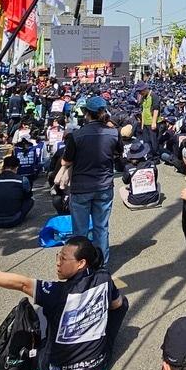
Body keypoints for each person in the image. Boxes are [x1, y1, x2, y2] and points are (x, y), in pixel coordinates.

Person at [0, 235, 126, 370]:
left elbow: (22, 283)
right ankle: (93, 349)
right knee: (121, 303)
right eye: (58, 256)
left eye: (64, 258)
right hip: (97, 365)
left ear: (81, 263)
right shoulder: (105, 278)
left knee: (38, 315)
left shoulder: (56, 291)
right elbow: (116, 305)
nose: (58, 262)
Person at [58, 95, 121, 266]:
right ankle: (102, 266)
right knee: (101, 228)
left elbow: (66, 161)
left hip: (81, 188)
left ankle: (81, 267)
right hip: (104, 186)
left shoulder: (76, 135)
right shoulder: (113, 133)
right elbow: (118, 153)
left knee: (80, 231)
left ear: (87, 114)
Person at [0, 153, 33, 228]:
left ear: (3, 167)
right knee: (30, 201)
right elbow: (28, 195)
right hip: (14, 219)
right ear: (16, 167)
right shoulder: (22, 180)